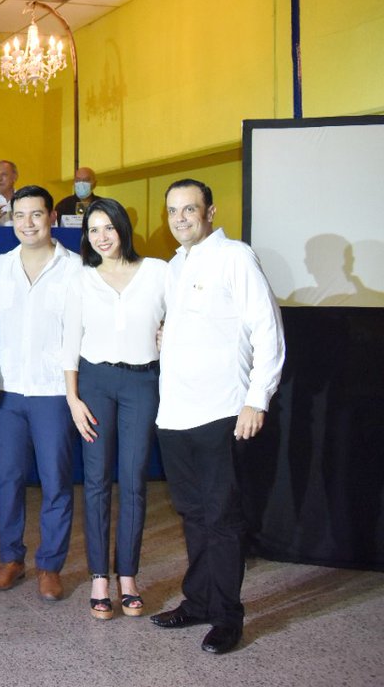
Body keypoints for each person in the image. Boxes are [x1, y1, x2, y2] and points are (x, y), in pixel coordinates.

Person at [149, 179, 284, 655]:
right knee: (192, 515)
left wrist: (256, 399)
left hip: (222, 408)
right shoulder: (175, 265)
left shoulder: (236, 257)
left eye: (189, 209)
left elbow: (267, 330)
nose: (180, 218)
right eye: (173, 210)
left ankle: (228, 616)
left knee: (222, 518)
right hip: (175, 413)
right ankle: (200, 601)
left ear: (210, 211)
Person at [61, 198, 167, 620]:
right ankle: (99, 579)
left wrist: (168, 333)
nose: (101, 237)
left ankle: (128, 576)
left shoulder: (157, 272)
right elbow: (69, 343)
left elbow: (184, 317)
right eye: (93, 230)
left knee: (135, 480)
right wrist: (73, 399)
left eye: (108, 227)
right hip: (95, 384)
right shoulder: (82, 280)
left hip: (142, 382)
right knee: (96, 481)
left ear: (123, 227)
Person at [0, 185, 82, 601]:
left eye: (36, 214)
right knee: (8, 479)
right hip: (6, 392)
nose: (27, 223)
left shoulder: (75, 268)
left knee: (56, 480)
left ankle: (50, 565)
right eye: (19, 216)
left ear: (52, 217)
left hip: (54, 392)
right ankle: (11, 559)